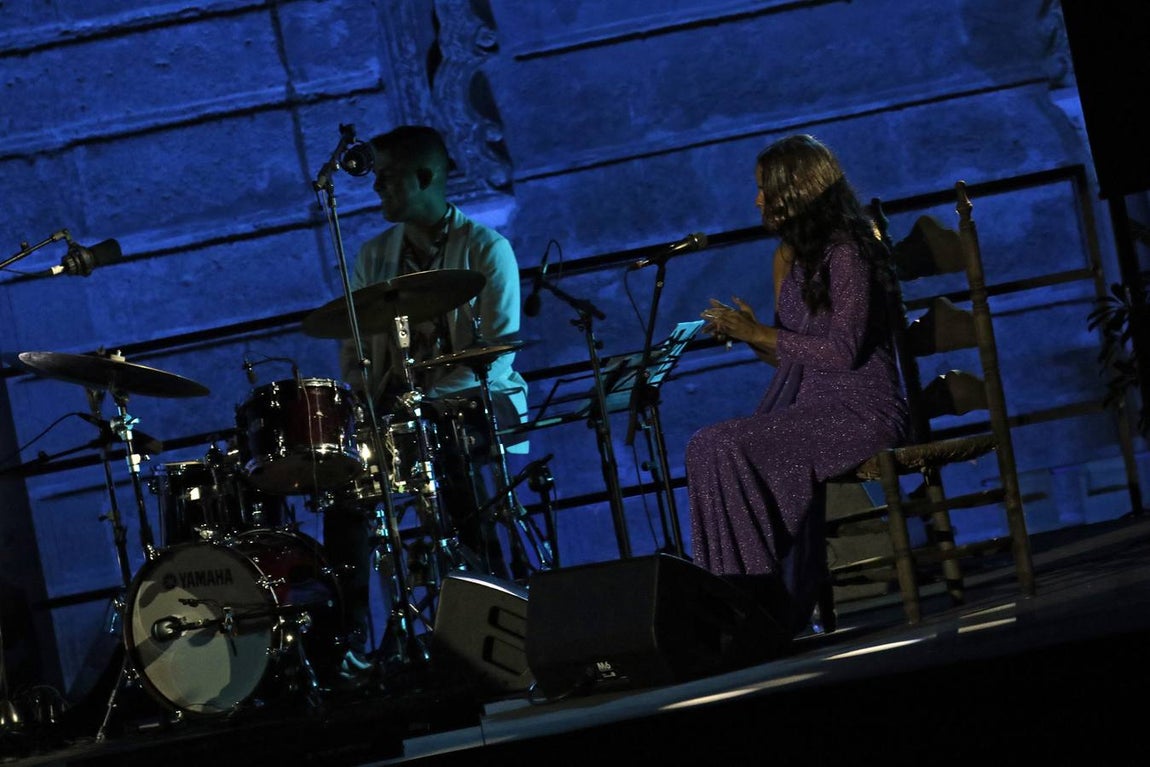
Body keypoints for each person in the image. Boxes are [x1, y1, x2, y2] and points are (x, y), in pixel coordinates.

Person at [686, 134, 909, 639]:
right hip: (811, 407)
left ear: (801, 188)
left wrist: (762, 332)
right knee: (705, 443)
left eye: (766, 188)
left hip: (863, 410)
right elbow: (788, 359)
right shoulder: (788, 257)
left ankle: (769, 603)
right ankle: (741, 602)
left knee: (724, 442)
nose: (758, 200)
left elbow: (841, 352)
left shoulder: (848, 252)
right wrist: (750, 337)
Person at [325, 125, 530, 672]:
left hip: (469, 407)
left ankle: (490, 622)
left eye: (387, 179)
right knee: (346, 491)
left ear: (424, 177)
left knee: (457, 466)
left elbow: (499, 352)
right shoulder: (374, 256)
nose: (377, 190)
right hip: (394, 415)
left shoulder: (486, 249)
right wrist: (365, 399)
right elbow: (352, 346)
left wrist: (426, 400)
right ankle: (347, 644)